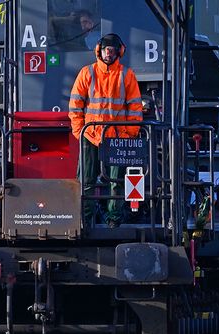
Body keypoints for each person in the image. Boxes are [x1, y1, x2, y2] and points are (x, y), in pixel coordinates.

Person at [68, 33, 143, 227]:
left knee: (116, 181)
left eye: (112, 50)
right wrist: (80, 132)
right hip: (90, 135)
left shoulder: (127, 75)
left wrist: (129, 134)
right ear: (99, 51)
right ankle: (84, 219)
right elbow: (75, 106)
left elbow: (135, 108)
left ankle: (113, 220)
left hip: (116, 137)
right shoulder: (87, 73)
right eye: (105, 50)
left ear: (119, 52)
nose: (108, 53)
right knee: (86, 179)